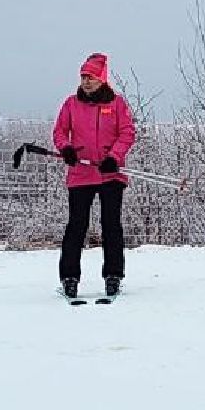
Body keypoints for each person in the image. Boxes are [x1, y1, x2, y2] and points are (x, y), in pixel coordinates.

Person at [53, 52, 136, 298]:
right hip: (81, 174)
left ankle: (113, 275)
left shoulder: (117, 104)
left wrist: (114, 157)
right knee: (76, 226)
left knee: (111, 226)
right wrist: (65, 149)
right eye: (83, 77)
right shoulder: (71, 104)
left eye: (90, 77)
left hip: (110, 174)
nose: (86, 81)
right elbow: (59, 131)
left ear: (102, 79)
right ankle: (69, 277)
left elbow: (127, 133)